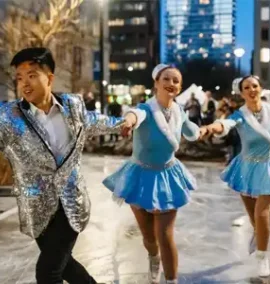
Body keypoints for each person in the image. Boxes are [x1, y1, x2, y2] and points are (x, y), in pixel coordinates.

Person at [0, 47, 137, 284]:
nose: (25, 83)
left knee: (48, 272)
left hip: (71, 204)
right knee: (65, 266)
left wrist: (128, 120)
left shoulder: (73, 108)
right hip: (37, 206)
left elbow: (100, 121)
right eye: (20, 78)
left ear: (50, 78)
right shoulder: (10, 117)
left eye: (32, 75)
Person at [103, 64, 204, 283]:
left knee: (165, 235)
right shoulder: (146, 109)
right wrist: (128, 122)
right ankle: (153, 256)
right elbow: (134, 115)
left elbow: (192, 132)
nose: (171, 84)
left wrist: (210, 129)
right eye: (166, 79)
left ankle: (171, 280)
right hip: (140, 176)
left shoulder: (179, 111)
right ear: (156, 83)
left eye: (176, 81)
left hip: (168, 176)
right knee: (149, 237)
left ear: (180, 87)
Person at [199, 75, 270, 278]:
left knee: (262, 213)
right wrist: (212, 127)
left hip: (268, 166)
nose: (251, 89)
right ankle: (258, 234)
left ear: (261, 88)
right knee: (254, 217)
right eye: (246, 87)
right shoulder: (240, 114)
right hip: (246, 167)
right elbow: (225, 124)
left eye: (254, 86)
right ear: (242, 93)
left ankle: (262, 257)